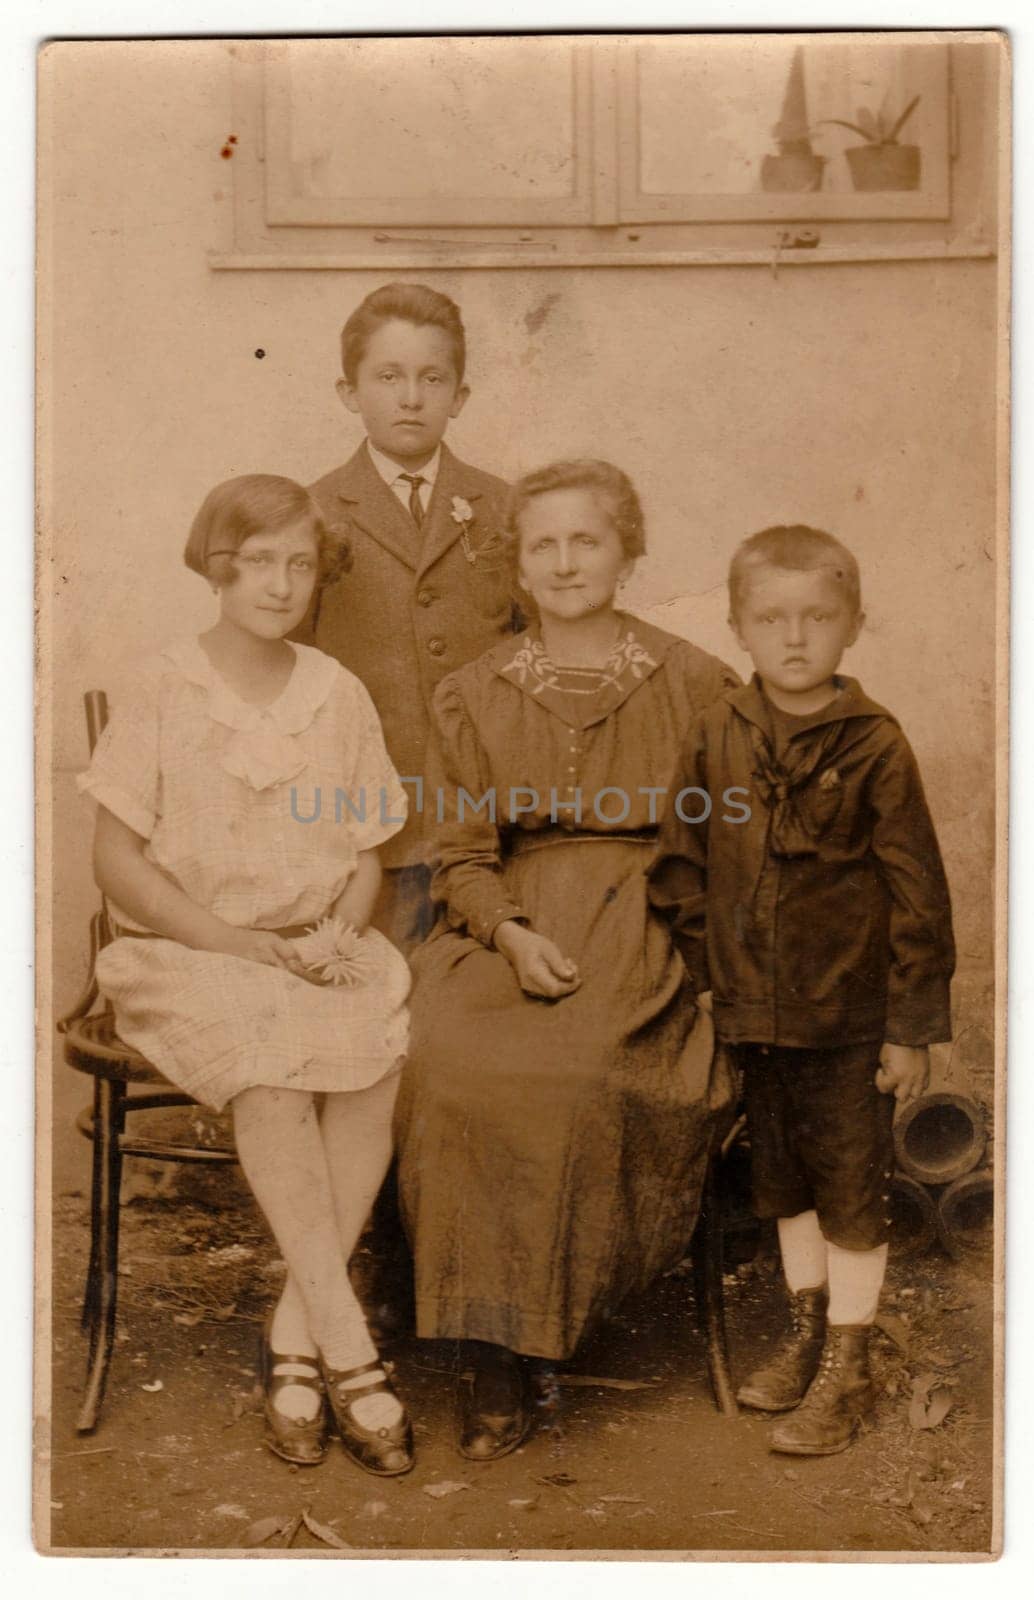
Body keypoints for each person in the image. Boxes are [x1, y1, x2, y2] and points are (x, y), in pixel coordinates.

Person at [395, 459, 740, 1461]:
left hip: (645, 917)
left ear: (626, 551)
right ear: (516, 562)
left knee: (577, 1071)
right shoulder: (471, 692)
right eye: (540, 544)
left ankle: (543, 1331)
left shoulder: (694, 683)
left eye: (584, 540)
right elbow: (458, 852)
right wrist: (504, 928)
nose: (562, 561)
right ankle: (490, 1350)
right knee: (445, 1065)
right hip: (500, 921)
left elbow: (725, 845)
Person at [78, 474, 417, 1477]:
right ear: (217, 566)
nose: (280, 582)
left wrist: (337, 933)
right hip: (192, 951)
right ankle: (348, 1349)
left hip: (316, 943)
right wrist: (232, 940)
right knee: (271, 1061)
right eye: (258, 560)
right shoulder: (162, 685)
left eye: (300, 563)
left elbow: (366, 851)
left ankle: (295, 1339)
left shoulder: (335, 691)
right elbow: (116, 860)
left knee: (376, 1048)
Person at [649, 524, 955, 1456]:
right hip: (754, 1014)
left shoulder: (874, 745)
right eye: (771, 618)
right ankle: (810, 1332)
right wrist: (713, 977)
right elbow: (681, 862)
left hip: (847, 1017)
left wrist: (911, 1028)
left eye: (818, 617)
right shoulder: (717, 733)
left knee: (852, 1187)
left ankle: (851, 1365)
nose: (795, 638)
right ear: (739, 626)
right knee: (784, 1185)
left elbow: (917, 891)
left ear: (852, 626)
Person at [295, 281, 518, 952]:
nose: (412, 397)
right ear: (349, 392)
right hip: (370, 827)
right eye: (388, 376)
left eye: (432, 378)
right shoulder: (312, 512)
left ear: (460, 396)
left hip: (488, 822)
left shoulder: (505, 507)